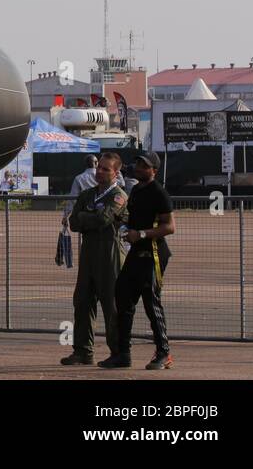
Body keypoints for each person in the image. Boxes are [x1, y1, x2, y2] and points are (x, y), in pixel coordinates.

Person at [103, 151, 175, 370]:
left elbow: (169, 227)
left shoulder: (158, 192)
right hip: (136, 252)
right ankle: (122, 353)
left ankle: (164, 353)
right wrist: (124, 226)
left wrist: (141, 234)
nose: (138, 168)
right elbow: (132, 218)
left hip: (153, 253)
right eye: (137, 164)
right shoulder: (135, 190)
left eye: (144, 165)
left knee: (151, 302)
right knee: (123, 296)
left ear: (153, 170)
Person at [60, 152, 127, 365]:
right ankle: (83, 351)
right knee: (82, 301)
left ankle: (119, 353)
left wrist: (87, 218)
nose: (99, 171)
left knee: (112, 305)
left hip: (110, 254)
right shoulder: (87, 195)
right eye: (99, 168)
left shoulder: (119, 196)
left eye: (106, 169)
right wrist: (89, 219)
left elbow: (104, 219)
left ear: (115, 173)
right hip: (89, 253)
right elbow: (74, 222)